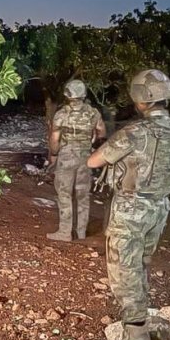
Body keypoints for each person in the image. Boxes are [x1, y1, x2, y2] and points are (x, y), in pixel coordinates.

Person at [86, 69, 170, 340]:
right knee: (141, 264)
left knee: (124, 270)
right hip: (160, 208)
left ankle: (136, 338)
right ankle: (143, 319)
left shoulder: (136, 132)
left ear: (142, 100)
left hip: (132, 208)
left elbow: (94, 162)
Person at [48, 79, 106, 241]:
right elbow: (101, 132)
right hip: (86, 157)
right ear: (83, 94)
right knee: (83, 195)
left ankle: (65, 232)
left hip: (66, 157)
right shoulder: (93, 113)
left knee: (64, 194)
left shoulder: (62, 114)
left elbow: (54, 138)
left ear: (67, 94)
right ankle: (81, 233)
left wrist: (53, 154)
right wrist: (92, 143)